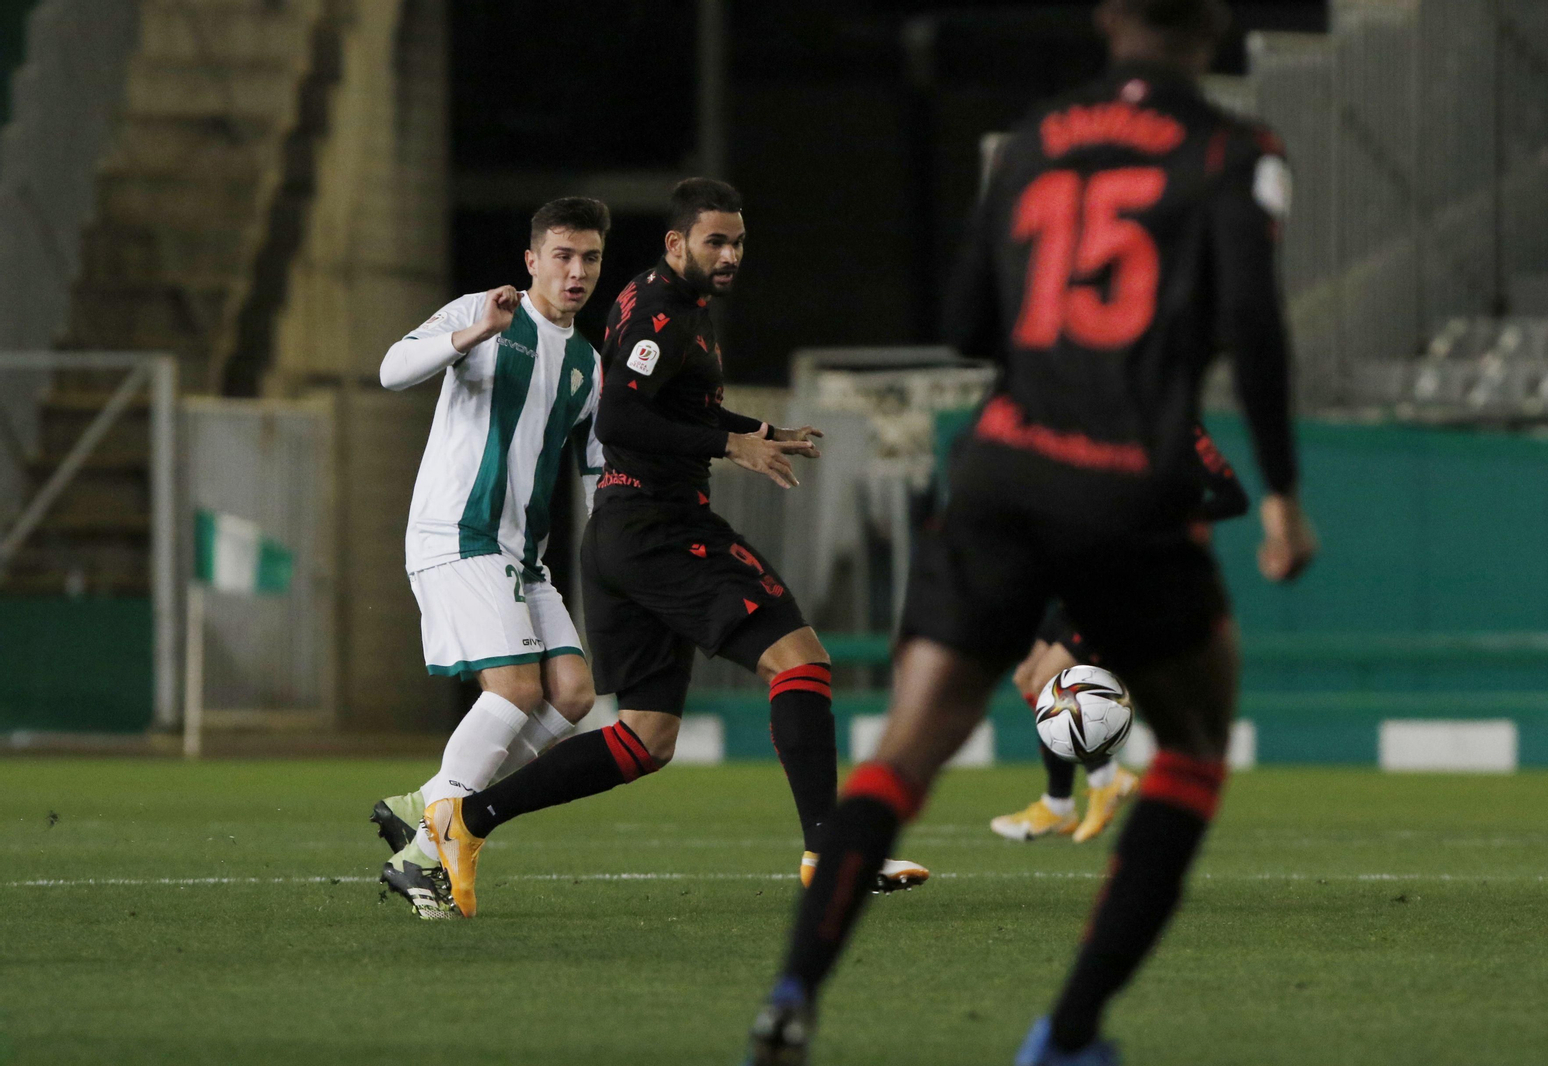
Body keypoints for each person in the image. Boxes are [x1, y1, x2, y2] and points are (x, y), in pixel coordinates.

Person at [745, 0, 1318, 1062]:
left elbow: (967, 325)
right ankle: (1069, 1031)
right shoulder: (1238, 148)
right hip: (1129, 482)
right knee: (1193, 741)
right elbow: (1252, 320)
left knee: (910, 745)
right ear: (1218, 25)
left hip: (1004, 470)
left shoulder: (1033, 143)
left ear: (1107, 18)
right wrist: (1279, 489)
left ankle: (790, 994)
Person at [417, 178, 928, 919]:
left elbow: (673, 405)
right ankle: (830, 851)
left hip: (630, 535)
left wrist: (753, 431)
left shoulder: (676, 307)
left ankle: (466, 820)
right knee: (802, 659)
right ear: (676, 242)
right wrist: (731, 446)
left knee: (647, 740)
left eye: (739, 242)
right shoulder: (660, 309)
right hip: (660, 529)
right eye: (715, 241)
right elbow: (621, 419)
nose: (729, 255)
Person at [370, 197, 611, 919]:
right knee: (513, 692)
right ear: (532, 259)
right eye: (562, 256)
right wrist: (473, 333)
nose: (576, 272)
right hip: (457, 533)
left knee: (571, 694)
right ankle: (424, 851)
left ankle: (430, 801)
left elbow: (596, 470)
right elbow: (391, 369)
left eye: (590, 258)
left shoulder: (588, 365)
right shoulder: (483, 311)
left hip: (522, 556)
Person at [992, 425, 1248, 844]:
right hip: (1083, 572)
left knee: (1048, 682)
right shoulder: (1093, 421)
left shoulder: (1182, 431)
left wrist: (1169, 519)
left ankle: (1092, 786)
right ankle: (1065, 800)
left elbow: (1233, 498)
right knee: (1028, 678)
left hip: (1133, 577)